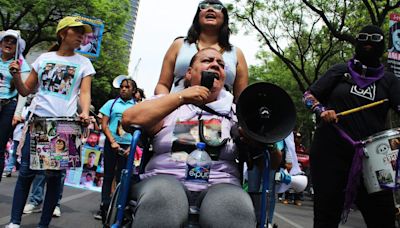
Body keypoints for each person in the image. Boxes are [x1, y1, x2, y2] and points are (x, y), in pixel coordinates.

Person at [121, 48, 265, 227]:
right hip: (164, 178)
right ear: (189, 73)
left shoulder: (236, 113)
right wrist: (181, 98)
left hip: (221, 184)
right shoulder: (167, 103)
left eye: (221, 64)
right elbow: (128, 119)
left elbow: (271, 160)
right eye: (207, 60)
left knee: (235, 208)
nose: (215, 65)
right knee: (164, 197)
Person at [303, 25, 400, 228]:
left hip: (372, 159)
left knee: (383, 217)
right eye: (363, 38)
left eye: (374, 40)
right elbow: (308, 96)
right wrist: (321, 110)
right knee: (326, 216)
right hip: (330, 153)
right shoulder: (340, 71)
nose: (368, 43)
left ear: (381, 46)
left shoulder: (389, 81)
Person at [6, 16, 95, 228]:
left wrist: (84, 112)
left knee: (55, 177)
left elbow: (85, 93)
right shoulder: (44, 58)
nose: (82, 36)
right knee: (26, 173)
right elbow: (26, 90)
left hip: (65, 124)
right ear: (63, 33)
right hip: (38, 120)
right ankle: (14, 222)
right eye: (77, 31)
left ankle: (43, 224)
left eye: (83, 33)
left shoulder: (84, 63)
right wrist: (16, 76)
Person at [154, 0, 248, 101]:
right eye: (203, 6)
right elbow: (162, 84)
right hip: (177, 110)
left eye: (217, 7)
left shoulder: (236, 53)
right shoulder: (179, 44)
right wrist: (165, 107)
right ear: (197, 16)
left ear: (224, 17)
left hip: (221, 113)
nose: (210, 9)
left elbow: (241, 97)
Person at [95, 78, 137, 221]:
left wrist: (131, 147)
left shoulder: (138, 107)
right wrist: (112, 141)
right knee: (107, 176)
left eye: (127, 87)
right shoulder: (110, 104)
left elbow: (140, 130)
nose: (123, 89)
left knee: (122, 178)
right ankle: (104, 207)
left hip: (127, 148)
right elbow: (104, 125)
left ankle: (118, 210)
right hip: (111, 145)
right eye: (122, 87)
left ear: (133, 90)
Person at [0, 29, 30, 181]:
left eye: (13, 42)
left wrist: (17, 113)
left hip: (8, 107)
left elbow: (23, 93)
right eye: (6, 40)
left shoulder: (21, 65)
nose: (9, 44)